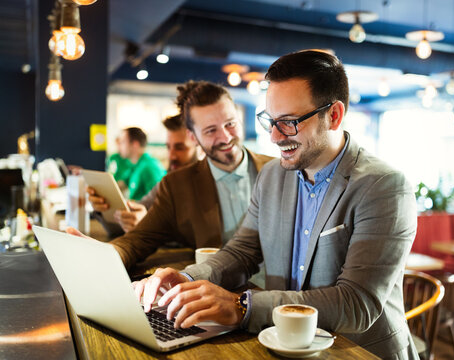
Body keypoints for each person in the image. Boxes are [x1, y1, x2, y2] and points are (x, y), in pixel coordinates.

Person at [134, 51, 419, 359]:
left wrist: (241, 306)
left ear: (334, 116)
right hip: (280, 343)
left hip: (356, 351)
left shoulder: (384, 186)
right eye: (270, 120)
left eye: (289, 122)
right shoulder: (273, 175)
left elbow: (355, 304)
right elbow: (242, 252)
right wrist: (190, 277)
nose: (273, 136)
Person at [90, 80, 273, 269]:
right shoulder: (177, 185)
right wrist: (100, 256)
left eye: (230, 124)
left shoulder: (279, 170)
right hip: (221, 289)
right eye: (211, 130)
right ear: (193, 137)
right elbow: (137, 241)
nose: (225, 137)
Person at [88, 114, 204, 233]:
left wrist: (147, 225)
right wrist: (103, 209)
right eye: (168, 147)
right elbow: (121, 226)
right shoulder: (166, 184)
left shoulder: (208, 187)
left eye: (180, 148)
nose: (171, 156)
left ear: (200, 149)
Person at [114, 127, 166, 201]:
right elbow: (120, 185)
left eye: (122, 142)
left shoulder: (149, 168)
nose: (119, 146)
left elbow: (158, 200)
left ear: (135, 144)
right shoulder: (135, 165)